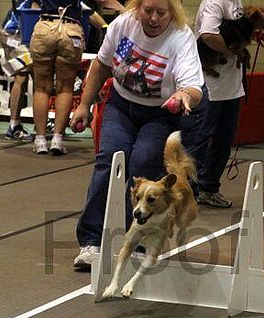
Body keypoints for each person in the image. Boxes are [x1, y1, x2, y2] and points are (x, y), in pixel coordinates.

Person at [70, 0, 204, 267]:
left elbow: (195, 88)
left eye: (161, 13)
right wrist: (84, 105)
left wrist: (183, 94)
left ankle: (141, 242)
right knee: (109, 160)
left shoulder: (180, 37)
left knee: (143, 163)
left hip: (161, 113)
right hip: (121, 106)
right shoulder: (125, 26)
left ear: (172, 12)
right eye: (148, 11)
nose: (153, 18)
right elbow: (103, 65)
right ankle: (91, 241)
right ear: (137, 8)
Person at [192, 0, 245, 208]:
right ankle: (188, 189)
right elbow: (208, 35)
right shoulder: (215, 2)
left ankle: (208, 187)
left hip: (231, 86)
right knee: (200, 140)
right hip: (211, 86)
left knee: (223, 142)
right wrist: (233, 50)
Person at [30, 0, 87, 155]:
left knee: (41, 88)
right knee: (65, 88)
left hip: (45, 27)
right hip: (71, 29)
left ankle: (40, 140)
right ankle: (57, 139)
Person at [0, 0, 41, 141]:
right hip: (16, 35)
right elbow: (35, 10)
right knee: (22, 77)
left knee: (38, 77)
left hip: (21, 33)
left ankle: (39, 122)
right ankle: (14, 126)